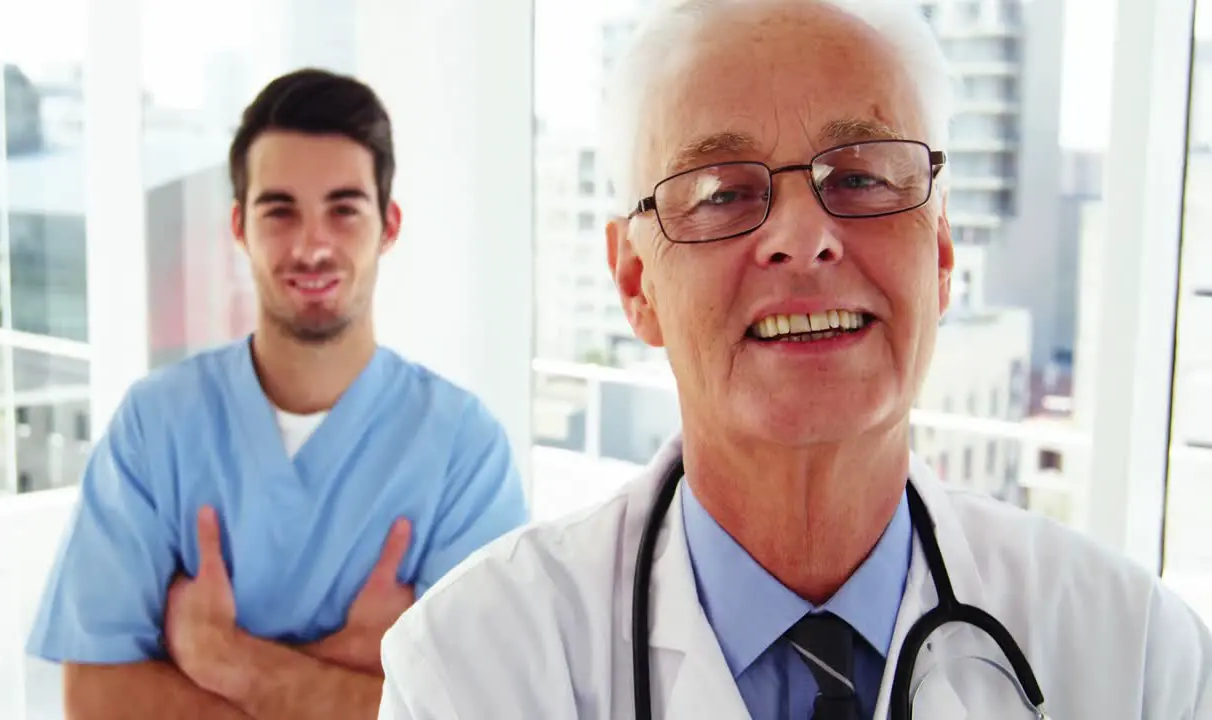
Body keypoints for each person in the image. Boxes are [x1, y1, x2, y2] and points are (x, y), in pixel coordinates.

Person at [376, 1, 1212, 718]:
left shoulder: (1136, 655)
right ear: (638, 283)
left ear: (944, 254)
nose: (805, 238)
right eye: (722, 193)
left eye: (860, 179)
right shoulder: (471, 669)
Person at [26, 68, 529, 719]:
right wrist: (355, 676)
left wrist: (222, 659)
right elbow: (95, 698)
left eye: (344, 209)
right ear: (239, 227)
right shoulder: (156, 427)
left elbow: (476, 711)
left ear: (390, 225)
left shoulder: (465, 450)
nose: (312, 244)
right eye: (280, 210)